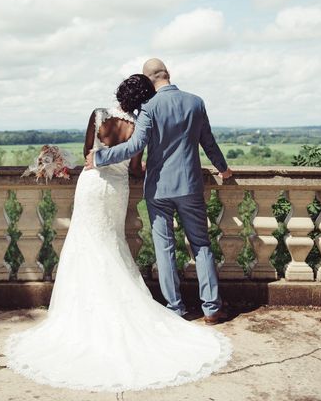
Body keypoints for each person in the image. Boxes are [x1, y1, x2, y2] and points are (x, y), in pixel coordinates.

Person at [4, 74, 232, 392]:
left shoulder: (98, 114)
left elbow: (87, 152)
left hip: (91, 185)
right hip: (117, 190)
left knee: (85, 242)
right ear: (142, 99)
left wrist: (80, 160)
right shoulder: (139, 125)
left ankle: (82, 311)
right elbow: (136, 166)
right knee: (112, 242)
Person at [85, 58, 233, 324]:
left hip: (158, 188)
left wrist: (99, 158)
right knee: (200, 245)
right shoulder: (196, 102)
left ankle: (175, 309)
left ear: (149, 80)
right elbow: (208, 143)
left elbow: (134, 147)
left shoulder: (149, 108)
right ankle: (211, 308)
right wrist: (223, 169)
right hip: (189, 185)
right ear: (168, 74)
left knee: (164, 249)